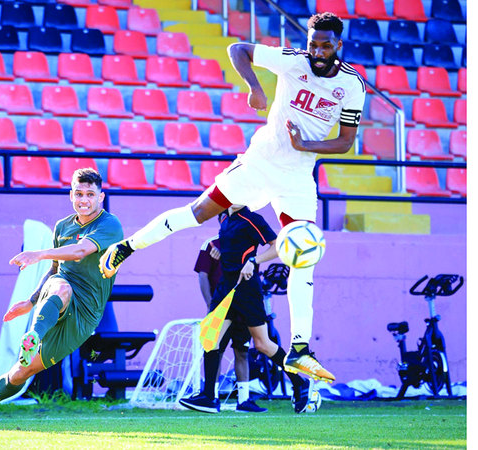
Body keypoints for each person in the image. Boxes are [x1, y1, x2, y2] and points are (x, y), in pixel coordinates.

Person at [99, 11, 364, 383]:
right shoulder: (293, 61)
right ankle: (127, 247)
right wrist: (255, 87)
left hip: (298, 177)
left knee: (304, 254)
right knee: (197, 212)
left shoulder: (352, 85)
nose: (318, 52)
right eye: (313, 44)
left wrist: (306, 145)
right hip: (259, 162)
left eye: (326, 46)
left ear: (339, 45)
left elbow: (346, 142)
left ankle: (300, 349)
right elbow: (238, 49)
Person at [0, 168, 123, 430]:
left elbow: (80, 251)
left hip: (87, 314)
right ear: (71, 195)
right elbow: (54, 271)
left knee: (22, 371)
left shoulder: (110, 224)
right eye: (78, 194)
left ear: (101, 197)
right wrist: (30, 302)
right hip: (60, 291)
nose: (84, 200)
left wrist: (38, 254)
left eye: (90, 194)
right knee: (62, 286)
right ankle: (33, 337)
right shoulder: (62, 226)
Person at [180, 205, 316, 414]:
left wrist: (254, 261)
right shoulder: (225, 220)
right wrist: (220, 253)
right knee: (210, 338)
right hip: (225, 288)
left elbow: (278, 246)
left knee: (262, 344)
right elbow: (234, 251)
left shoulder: (252, 219)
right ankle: (209, 398)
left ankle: (300, 384)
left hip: (246, 289)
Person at [194, 229, 265, 413]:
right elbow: (202, 275)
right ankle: (212, 396)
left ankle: (244, 400)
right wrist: (210, 305)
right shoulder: (211, 244)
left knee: (242, 352)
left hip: (243, 310)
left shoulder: (247, 245)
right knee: (215, 351)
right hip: (222, 310)